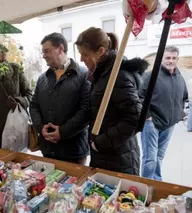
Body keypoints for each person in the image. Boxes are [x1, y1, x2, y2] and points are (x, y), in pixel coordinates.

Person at [75, 27, 148, 175]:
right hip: (105, 155)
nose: (82, 59)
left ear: (101, 51)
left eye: (85, 55)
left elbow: (136, 117)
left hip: (119, 158)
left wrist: (101, 143)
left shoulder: (117, 76)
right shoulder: (102, 74)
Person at [29, 32, 91, 165]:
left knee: (75, 185)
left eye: (47, 51)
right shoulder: (42, 78)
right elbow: (34, 105)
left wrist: (62, 132)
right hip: (47, 149)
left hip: (74, 150)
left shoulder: (84, 75)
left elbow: (86, 110)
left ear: (60, 49)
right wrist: (41, 128)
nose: (43, 55)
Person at [140, 45, 188, 180]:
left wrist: (179, 114)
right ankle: (147, 184)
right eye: (167, 57)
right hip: (152, 124)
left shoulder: (179, 77)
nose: (170, 61)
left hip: (169, 124)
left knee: (159, 156)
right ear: (161, 59)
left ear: (177, 59)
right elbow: (139, 96)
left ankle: (157, 181)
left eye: (173, 58)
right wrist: (147, 116)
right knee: (150, 158)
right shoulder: (151, 75)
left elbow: (184, 96)